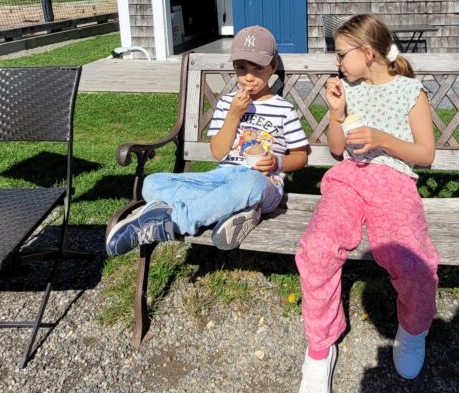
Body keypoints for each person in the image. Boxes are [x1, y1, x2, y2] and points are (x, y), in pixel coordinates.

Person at [296, 14, 438, 393]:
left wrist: (382, 139)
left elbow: (425, 155)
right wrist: (336, 112)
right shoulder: (349, 90)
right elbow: (338, 149)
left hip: (393, 182)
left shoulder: (410, 91)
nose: (337, 63)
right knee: (316, 248)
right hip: (348, 181)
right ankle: (319, 347)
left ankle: (412, 329)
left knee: (413, 259)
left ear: (368, 52)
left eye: (341, 54)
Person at [105, 26, 310, 256]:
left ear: (272, 68)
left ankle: (171, 222)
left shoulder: (284, 109)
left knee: (247, 186)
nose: (248, 77)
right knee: (152, 183)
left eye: (258, 68)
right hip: (220, 177)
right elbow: (219, 153)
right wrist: (233, 115)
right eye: (241, 68)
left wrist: (277, 163)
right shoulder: (227, 104)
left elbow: (301, 156)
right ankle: (238, 212)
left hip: (264, 183)